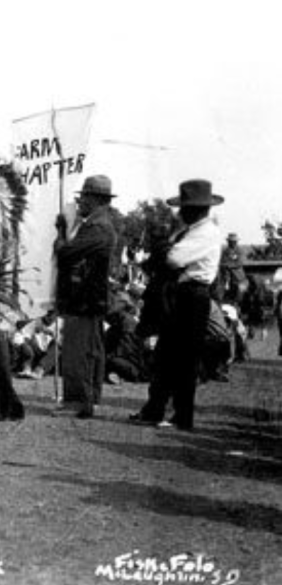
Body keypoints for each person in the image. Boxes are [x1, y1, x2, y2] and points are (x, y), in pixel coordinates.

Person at [132, 179, 225, 431]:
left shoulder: (205, 232)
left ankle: (181, 415)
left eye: (186, 207)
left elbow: (173, 259)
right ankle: (156, 409)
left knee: (184, 357)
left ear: (197, 209)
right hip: (182, 294)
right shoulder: (191, 231)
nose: (181, 211)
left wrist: (165, 250)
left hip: (192, 295)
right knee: (166, 354)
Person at [52, 175, 118, 419]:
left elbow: (66, 254)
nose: (80, 203)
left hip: (84, 299)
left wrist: (60, 232)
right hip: (91, 298)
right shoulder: (98, 225)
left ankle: (78, 401)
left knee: (78, 352)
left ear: (95, 199)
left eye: (84, 198)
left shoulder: (97, 228)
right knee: (92, 351)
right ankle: (91, 397)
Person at [218, 233, 246, 304]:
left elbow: (240, 262)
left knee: (239, 296)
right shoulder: (224, 251)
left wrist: (228, 265)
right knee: (227, 296)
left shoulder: (240, 250)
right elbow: (222, 262)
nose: (232, 243)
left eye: (234, 241)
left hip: (238, 278)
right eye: (230, 241)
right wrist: (227, 265)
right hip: (226, 278)